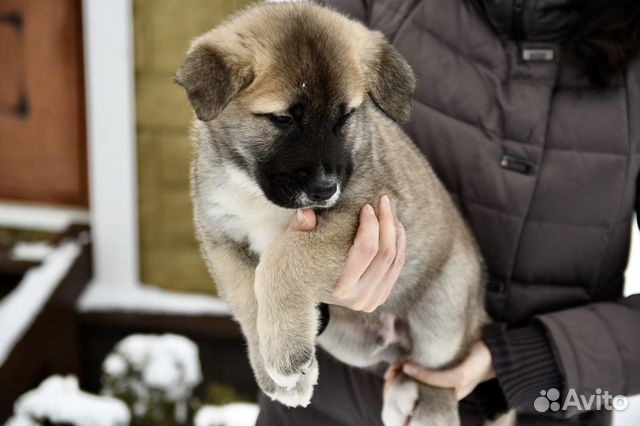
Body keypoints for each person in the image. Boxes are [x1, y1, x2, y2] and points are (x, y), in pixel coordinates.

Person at [254, 0, 640, 425]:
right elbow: (243, 173)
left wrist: (529, 360)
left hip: (547, 408)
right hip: (333, 407)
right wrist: (314, 295)